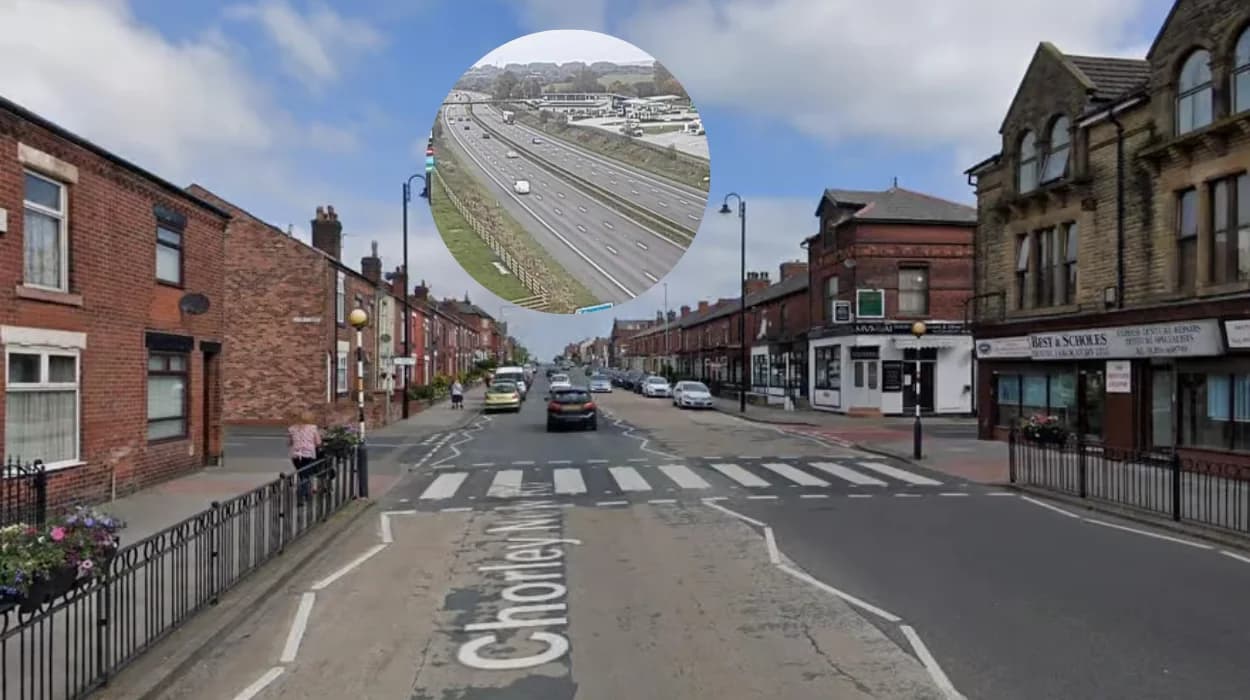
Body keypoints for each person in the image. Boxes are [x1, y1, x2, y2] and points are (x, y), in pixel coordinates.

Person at [288, 411, 322, 504]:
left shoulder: (292, 429)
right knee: (306, 475)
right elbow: (318, 442)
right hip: (308, 455)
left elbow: (289, 443)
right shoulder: (313, 428)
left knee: (301, 474)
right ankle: (302, 494)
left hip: (295, 455)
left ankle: (306, 492)